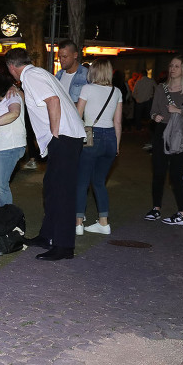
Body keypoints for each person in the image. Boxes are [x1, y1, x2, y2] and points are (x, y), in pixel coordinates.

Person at [5, 47, 86, 261]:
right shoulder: (37, 74)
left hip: (64, 138)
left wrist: (55, 133)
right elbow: (43, 100)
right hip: (68, 137)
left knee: (62, 193)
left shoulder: (31, 76)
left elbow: (53, 101)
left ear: (12, 67)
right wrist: (19, 93)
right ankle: (47, 235)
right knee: (51, 188)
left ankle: (64, 246)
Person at [144, 55, 183, 225]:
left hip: (181, 133)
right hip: (162, 132)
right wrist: (155, 116)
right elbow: (153, 111)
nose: (172, 69)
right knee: (158, 172)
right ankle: (156, 208)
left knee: (176, 174)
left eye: (177, 66)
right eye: (171, 66)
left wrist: (179, 111)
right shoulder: (161, 88)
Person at [74, 58, 122, 235]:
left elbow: (78, 115)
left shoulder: (87, 89)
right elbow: (118, 121)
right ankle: (103, 222)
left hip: (91, 137)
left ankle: (78, 224)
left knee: (82, 182)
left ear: (93, 71)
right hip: (110, 138)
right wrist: (117, 144)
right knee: (99, 182)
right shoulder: (116, 91)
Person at [0, 72, 27, 206]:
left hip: (11, 145)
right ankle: (1, 214)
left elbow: (14, 113)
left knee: (0, 183)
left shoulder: (12, 96)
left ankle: (11, 219)